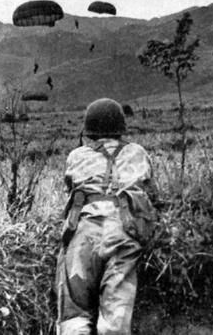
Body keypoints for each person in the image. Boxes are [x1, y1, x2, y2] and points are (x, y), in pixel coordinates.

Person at [56, 98, 159, 334]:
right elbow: (153, 195)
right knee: (115, 321)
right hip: (123, 234)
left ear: (89, 130)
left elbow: (69, 188)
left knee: (74, 315)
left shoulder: (76, 156)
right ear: (121, 128)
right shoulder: (138, 153)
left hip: (83, 235)